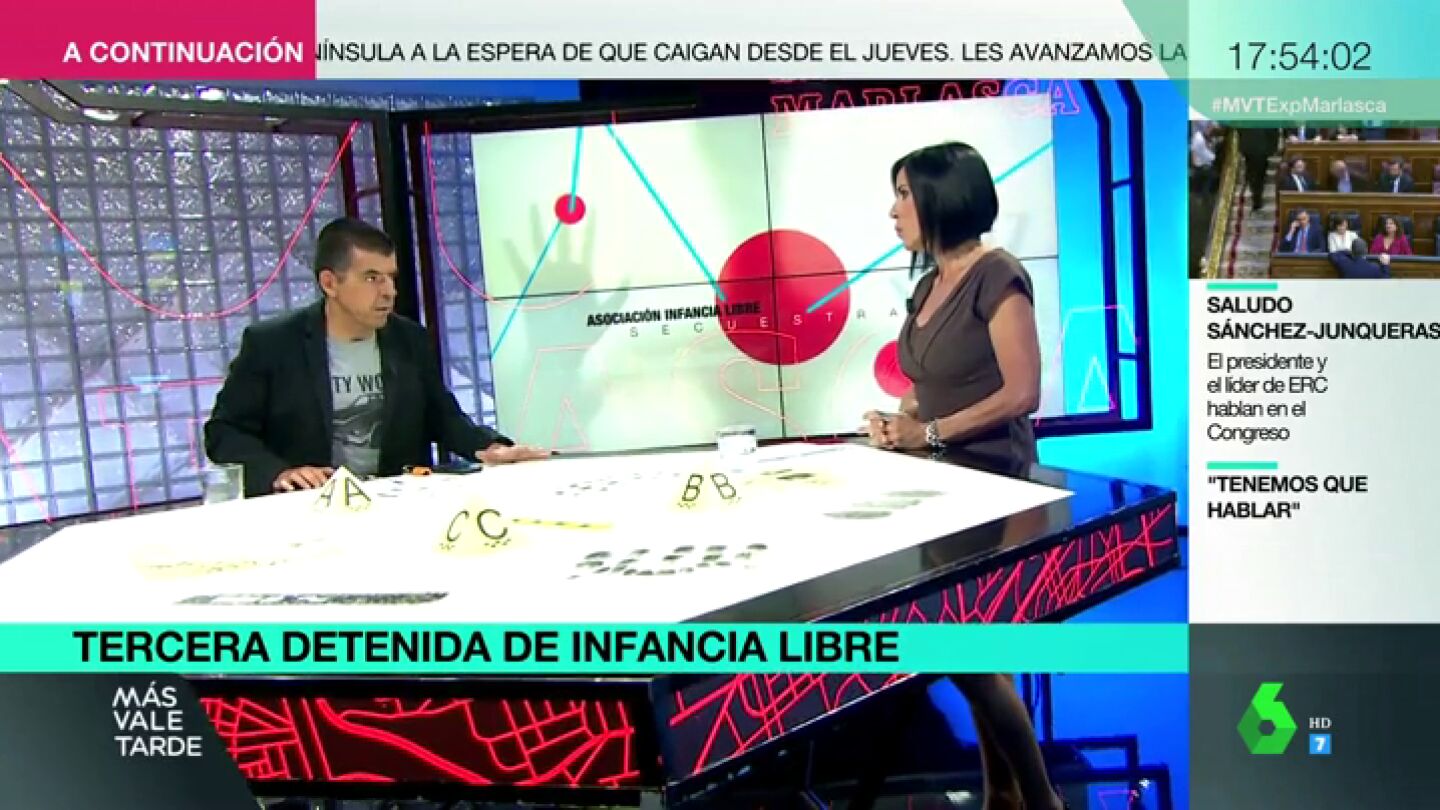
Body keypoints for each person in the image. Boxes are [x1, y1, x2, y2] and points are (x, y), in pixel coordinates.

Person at [862, 142, 1063, 810]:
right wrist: (899, 421)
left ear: (941, 198)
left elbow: (1022, 391)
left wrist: (930, 433)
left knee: (967, 656)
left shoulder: (997, 275)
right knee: (976, 655)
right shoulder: (927, 286)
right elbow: (929, 386)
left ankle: (1039, 799)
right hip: (941, 493)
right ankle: (1003, 795)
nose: (894, 210)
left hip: (996, 490)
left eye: (903, 194)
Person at [205, 217, 549, 497]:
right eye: (372, 278)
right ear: (330, 283)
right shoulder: (273, 344)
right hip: (309, 508)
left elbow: (441, 416)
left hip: (394, 504)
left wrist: (489, 446)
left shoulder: (408, 339)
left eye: (390, 278)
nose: (389, 292)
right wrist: (279, 473)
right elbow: (224, 432)